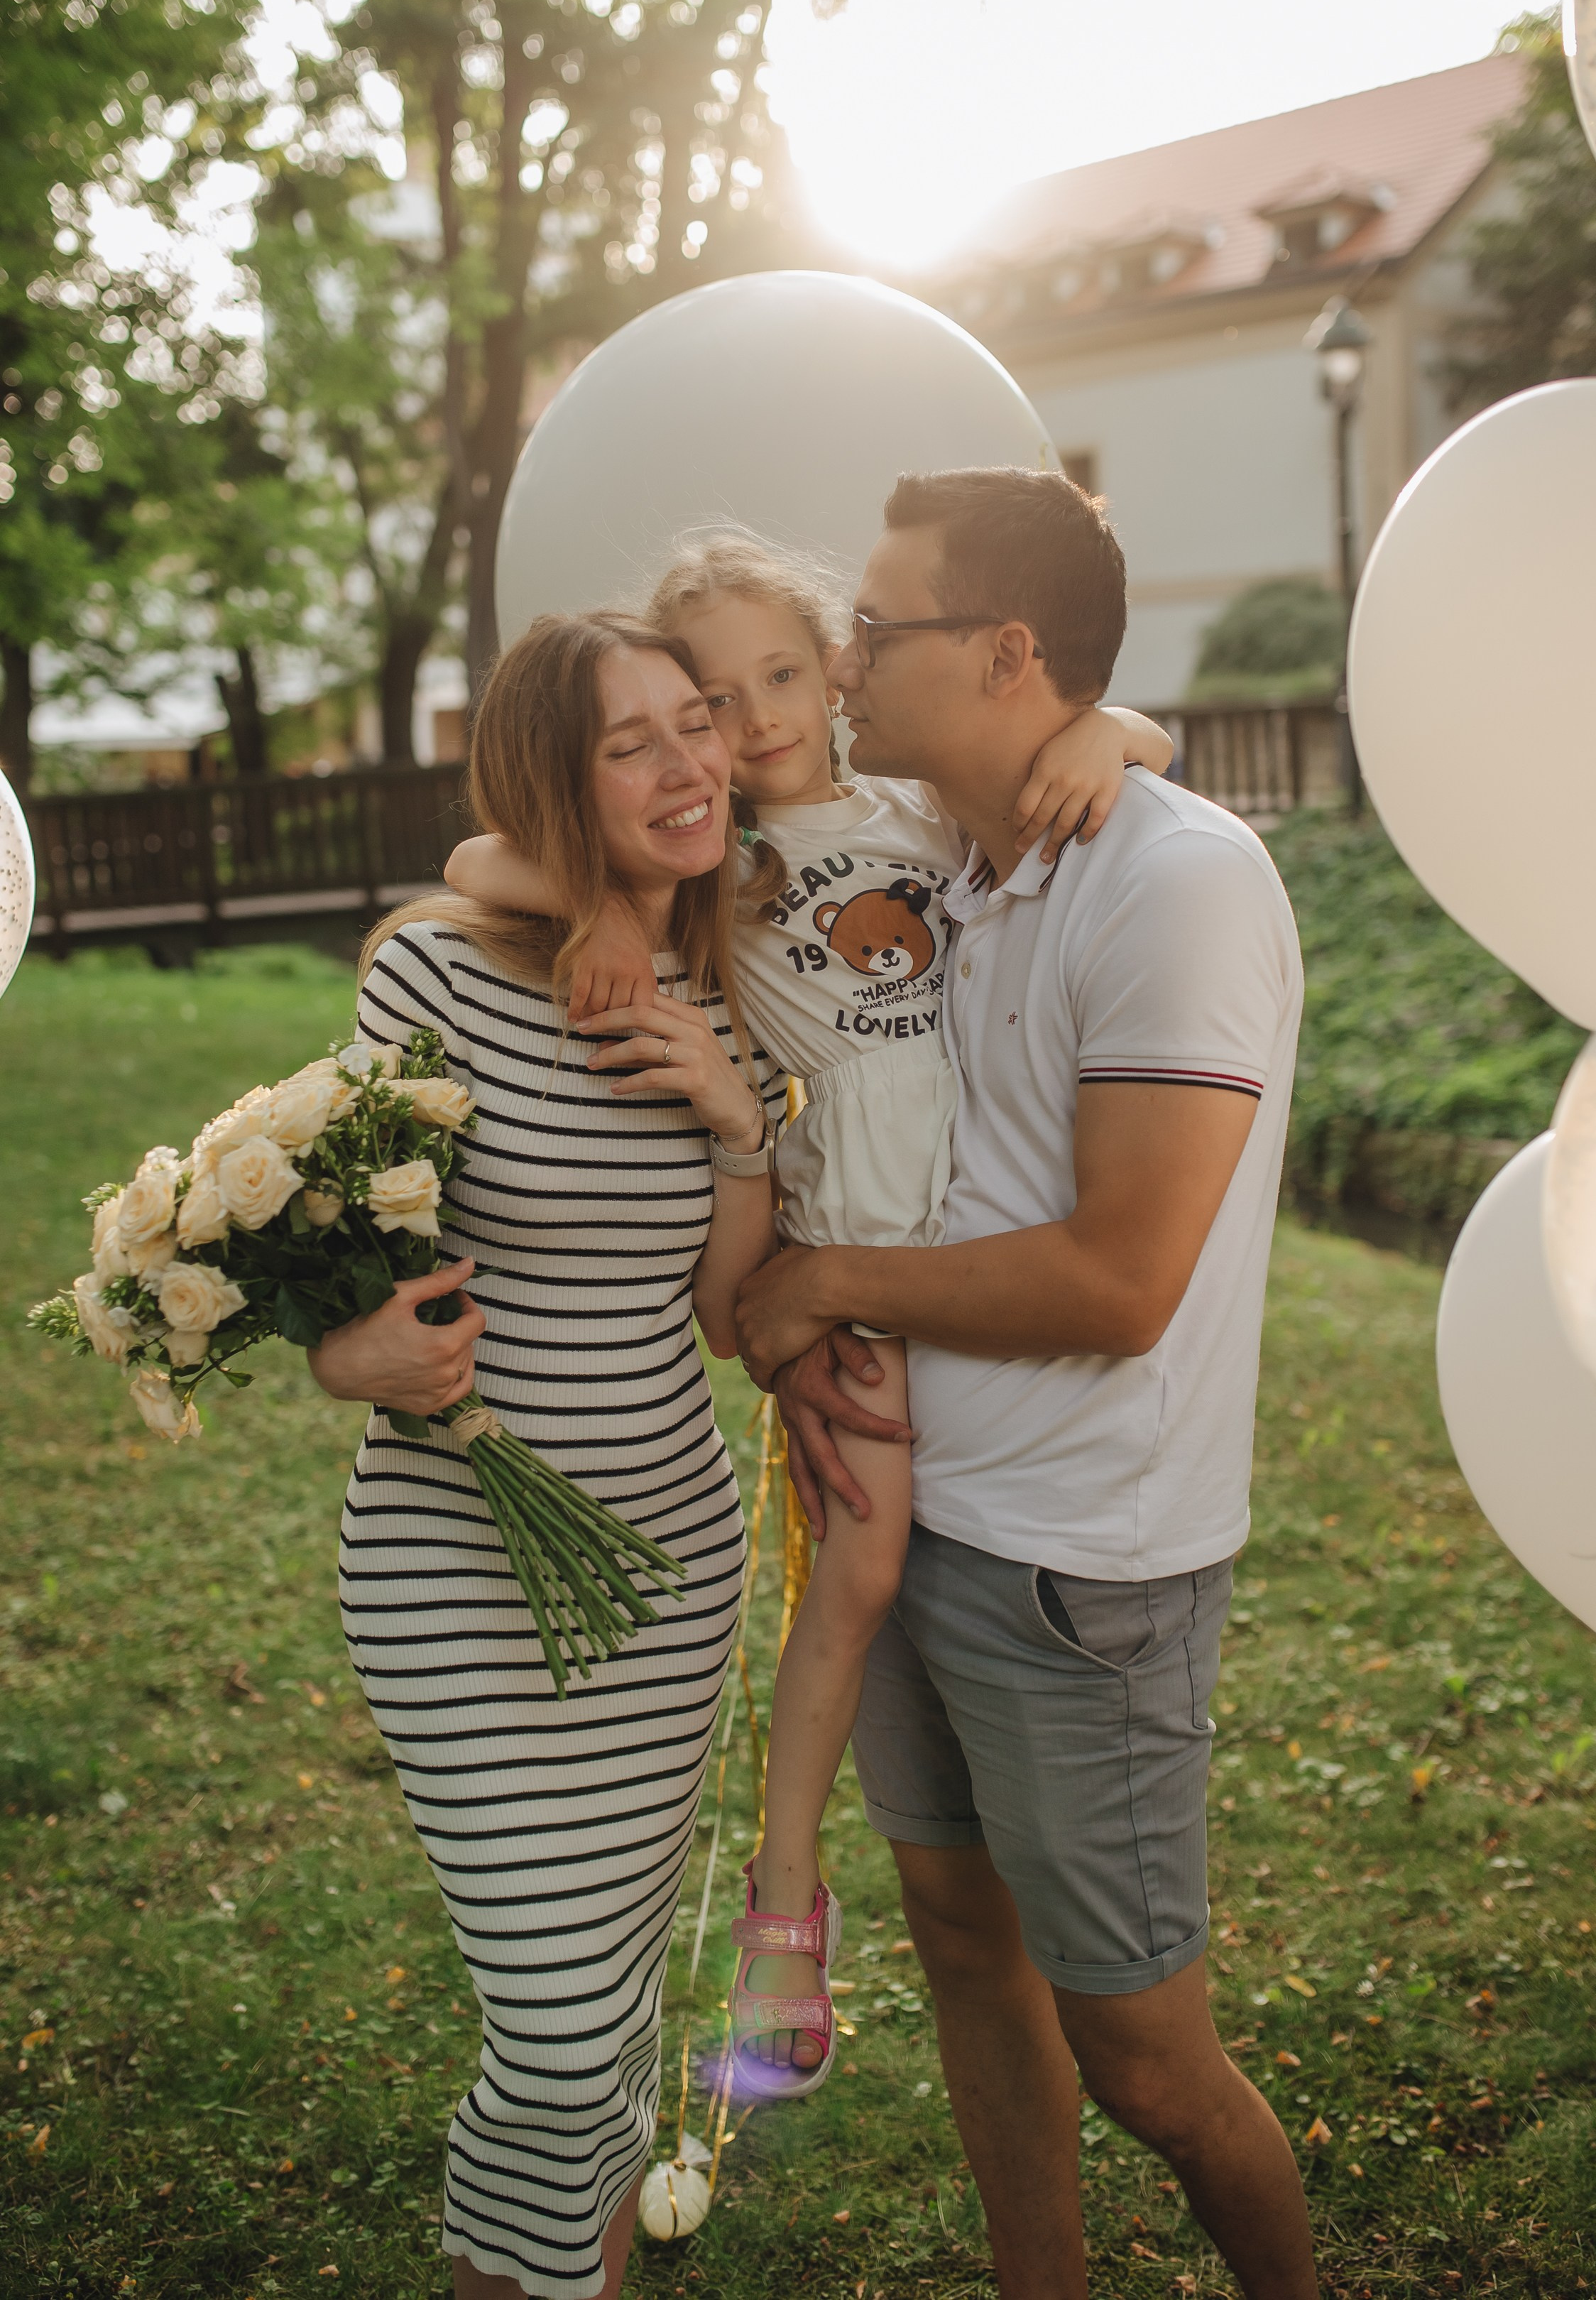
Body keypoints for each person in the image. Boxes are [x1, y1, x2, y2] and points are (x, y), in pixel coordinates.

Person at [445, 533, 1174, 2102]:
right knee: (862, 1563)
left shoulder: (923, 811)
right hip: (849, 1228)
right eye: (713, 700)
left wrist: (1111, 732)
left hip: (969, 1216)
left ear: (838, 667)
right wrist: (606, 911)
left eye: (782, 673)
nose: (755, 718)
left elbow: (1127, 744)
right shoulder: (719, 865)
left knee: (893, 1546)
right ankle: (786, 1903)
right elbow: (475, 865)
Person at [735, 468, 1317, 2300]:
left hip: (1078, 1563)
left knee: (1144, 2056)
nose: (840, 661)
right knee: (959, 1939)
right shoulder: (959, 857)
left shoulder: (1177, 881)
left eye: (872, 629)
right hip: (905, 1517)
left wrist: (820, 1279)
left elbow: (1119, 1281)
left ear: (1004, 653)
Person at [307, 611, 784, 2300]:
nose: (687, 763)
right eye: (627, 744)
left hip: (664, 1573)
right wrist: (345, 1352)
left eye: (695, 720)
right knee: (567, 2031)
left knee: (607, 2015)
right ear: (551, 785)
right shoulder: (435, 973)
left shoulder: (732, 976)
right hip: (455, 1556)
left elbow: (723, 1318)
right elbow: (338, 1247)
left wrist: (736, 1119)